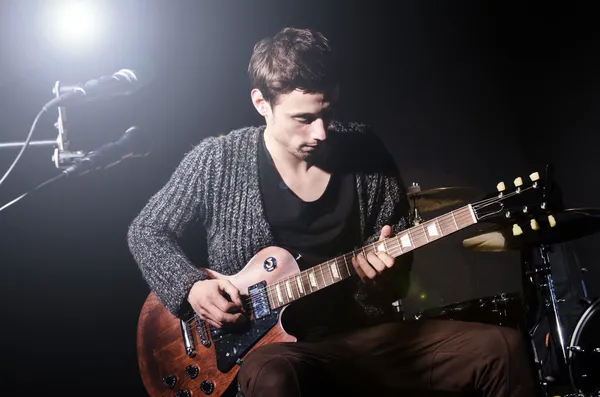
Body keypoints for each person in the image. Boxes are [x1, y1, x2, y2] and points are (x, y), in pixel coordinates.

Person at [127, 27, 539, 397]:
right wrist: (190, 288)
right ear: (261, 103)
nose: (321, 132)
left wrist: (387, 275)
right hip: (271, 356)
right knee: (273, 376)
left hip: (359, 339)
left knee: (502, 350)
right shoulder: (218, 160)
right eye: (304, 119)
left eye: (329, 114)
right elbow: (147, 230)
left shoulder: (365, 153)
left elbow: (392, 286)